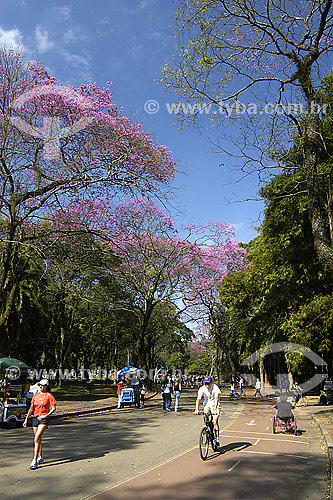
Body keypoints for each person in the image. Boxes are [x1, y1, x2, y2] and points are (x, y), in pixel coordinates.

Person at [23, 379, 56, 470]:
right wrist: (26, 419)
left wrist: (46, 416)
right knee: (38, 439)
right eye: (39, 385)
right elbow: (31, 408)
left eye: (42, 385)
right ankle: (40, 456)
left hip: (43, 419)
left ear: (46, 386)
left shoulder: (49, 396)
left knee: (36, 438)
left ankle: (34, 460)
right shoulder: (36, 396)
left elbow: (53, 408)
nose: (40, 387)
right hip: (35, 418)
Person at [194, 375, 221, 448]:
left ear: (211, 382)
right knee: (205, 414)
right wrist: (197, 409)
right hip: (207, 404)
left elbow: (216, 398)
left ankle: (217, 438)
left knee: (215, 421)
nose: (207, 385)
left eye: (208, 383)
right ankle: (206, 428)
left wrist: (215, 408)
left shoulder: (215, 387)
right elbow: (198, 399)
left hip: (214, 404)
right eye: (205, 383)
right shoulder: (202, 389)